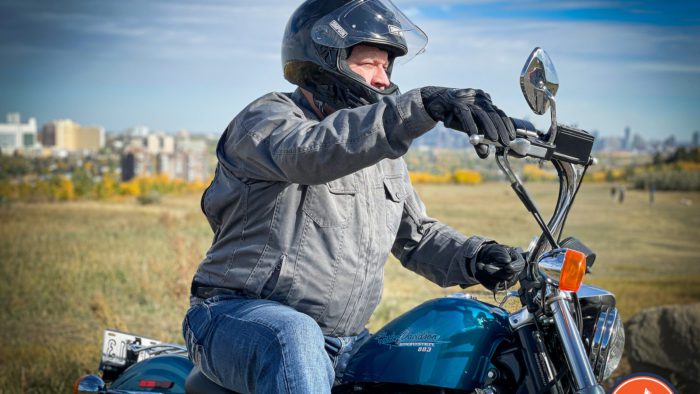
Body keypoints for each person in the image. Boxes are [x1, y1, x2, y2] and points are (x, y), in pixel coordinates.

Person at [182, 0, 525, 393]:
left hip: (344, 339)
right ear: (324, 60)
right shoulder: (267, 120)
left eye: (386, 66)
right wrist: (421, 106)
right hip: (233, 316)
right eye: (368, 64)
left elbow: (417, 237)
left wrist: (478, 256)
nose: (382, 79)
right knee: (294, 335)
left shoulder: (377, 149)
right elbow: (312, 153)